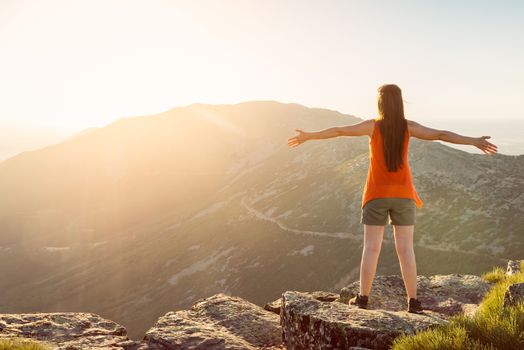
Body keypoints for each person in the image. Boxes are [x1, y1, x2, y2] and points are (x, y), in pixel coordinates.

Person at [286, 84, 498, 313]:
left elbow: (338, 131)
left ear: (380, 102)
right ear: (400, 102)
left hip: (376, 195)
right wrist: (473, 141)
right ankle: (413, 302)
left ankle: (362, 299)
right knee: (406, 250)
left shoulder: (372, 126)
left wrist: (309, 136)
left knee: (371, 248)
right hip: (404, 195)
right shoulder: (409, 127)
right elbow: (440, 135)